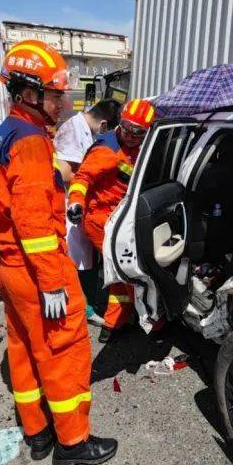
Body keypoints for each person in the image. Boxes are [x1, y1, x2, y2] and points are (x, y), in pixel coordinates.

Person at [0, 39, 116, 465]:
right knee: (64, 350)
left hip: (9, 266)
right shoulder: (32, 142)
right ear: (28, 93)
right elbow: (34, 222)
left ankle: (37, 433)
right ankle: (73, 442)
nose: (64, 101)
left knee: (24, 348)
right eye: (56, 93)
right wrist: (54, 281)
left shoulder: (5, 133)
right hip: (37, 268)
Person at [66, 98, 156, 342]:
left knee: (119, 272)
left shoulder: (138, 147)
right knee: (129, 271)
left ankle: (113, 324)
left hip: (118, 219)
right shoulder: (107, 150)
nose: (130, 134)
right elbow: (82, 178)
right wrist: (75, 201)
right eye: (126, 127)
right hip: (99, 220)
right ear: (120, 122)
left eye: (138, 132)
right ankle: (151, 319)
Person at [53, 100, 121, 325]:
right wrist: (95, 178)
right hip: (69, 204)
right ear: (104, 125)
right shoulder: (74, 130)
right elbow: (65, 173)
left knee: (87, 260)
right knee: (77, 261)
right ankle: (83, 307)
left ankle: (88, 302)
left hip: (81, 203)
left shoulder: (82, 128)